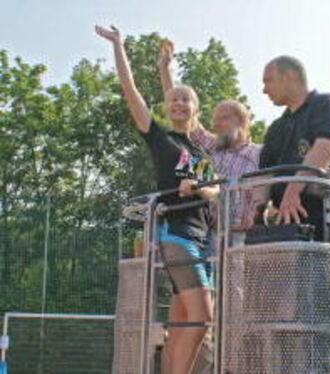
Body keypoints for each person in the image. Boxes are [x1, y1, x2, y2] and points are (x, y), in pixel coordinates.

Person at [95, 25, 218, 374]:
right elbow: (131, 92)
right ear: (166, 107)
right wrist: (120, 46)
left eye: (185, 99)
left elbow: (215, 189)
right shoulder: (160, 139)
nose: (178, 103)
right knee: (203, 317)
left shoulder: (199, 150)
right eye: (172, 100)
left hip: (202, 238)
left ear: (195, 108)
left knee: (181, 324)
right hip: (176, 236)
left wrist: (199, 188)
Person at [157, 41, 261, 245]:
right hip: (207, 235)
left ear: (241, 121)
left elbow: (268, 192)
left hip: (244, 236)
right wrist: (164, 69)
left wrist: (257, 210)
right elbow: (179, 109)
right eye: (214, 119)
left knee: (235, 278)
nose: (215, 124)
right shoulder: (210, 146)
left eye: (222, 118)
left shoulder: (260, 153)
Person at [259, 55, 330, 242]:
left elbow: (326, 149)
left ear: (290, 76)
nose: (264, 90)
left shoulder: (326, 104)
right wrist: (256, 211)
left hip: (326, 217)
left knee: (325, 271)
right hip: (284, 221)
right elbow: (263, 175)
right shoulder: (276, 128)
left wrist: (292, 192)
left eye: (268, 81)